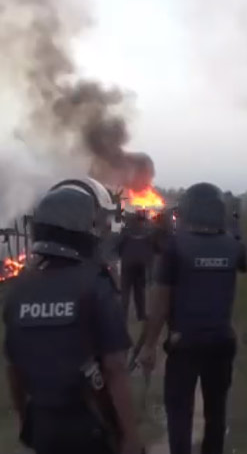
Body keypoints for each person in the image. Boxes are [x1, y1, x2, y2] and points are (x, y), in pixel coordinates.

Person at [2, 178, 143, 454]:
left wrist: (24, 420)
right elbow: (114, 367)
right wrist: (131, 435)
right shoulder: (96, 286)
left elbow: (14, 369)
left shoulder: (19, 291)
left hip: (43, 426)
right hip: (90, 426)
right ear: (83, 229)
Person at [140, 183, 247, 454]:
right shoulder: (233, 247)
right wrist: (234, 227)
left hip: (184, 343)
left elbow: (161, 302)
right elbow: (243, 263)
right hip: (222, 342)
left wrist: (149, 344)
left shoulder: (175, 248)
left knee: (179, 414)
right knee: (216, 412)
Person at [118, 210, 155, 322]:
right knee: (139, 291)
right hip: (140, 264)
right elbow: (151, 247)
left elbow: (119, 245)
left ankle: (123, 316)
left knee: (125, 291)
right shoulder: (147, 231)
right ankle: (141, 314)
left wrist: (122, 255)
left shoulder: (125, 230)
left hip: (127, 263)